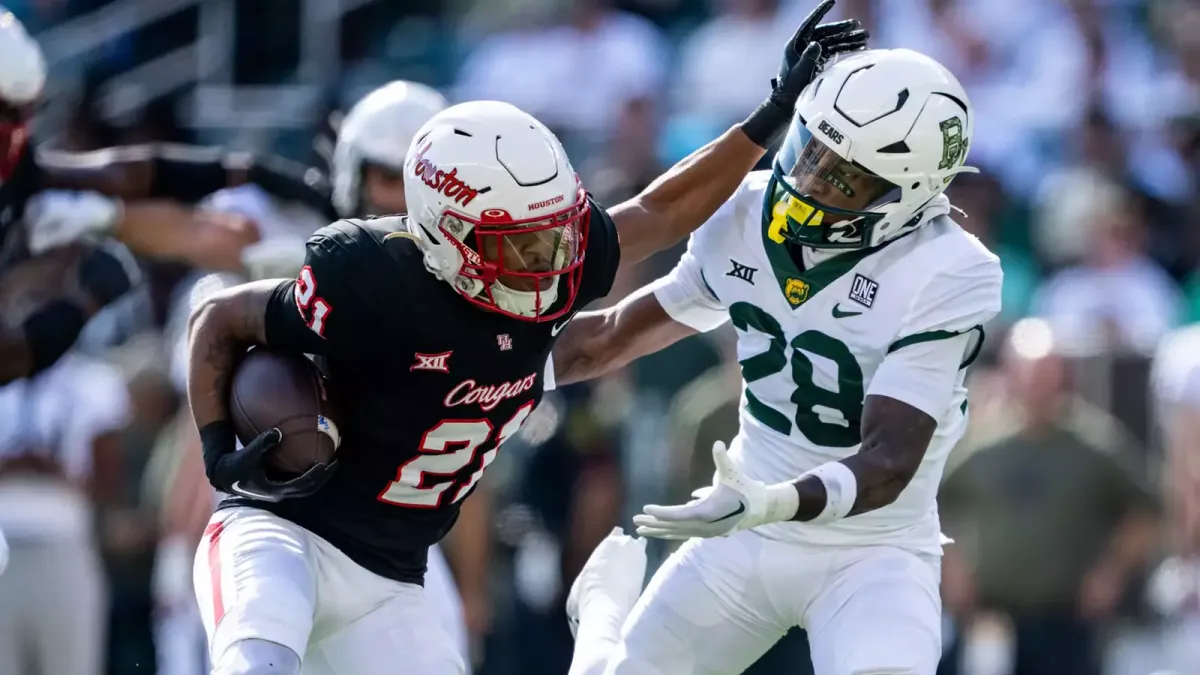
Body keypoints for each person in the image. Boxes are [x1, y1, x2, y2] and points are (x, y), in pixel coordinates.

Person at [185, 4, 868, 674]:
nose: (549, 260)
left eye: (554, 233)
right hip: (285, 537)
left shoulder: (555, 259)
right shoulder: (368, 277)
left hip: (390, 578)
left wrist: (774, 112)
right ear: (445, 236)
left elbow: (659, 211)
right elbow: (218, 318)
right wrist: (217, 445)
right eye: (521, 244)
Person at [548, 47, 1001, 675]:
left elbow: (889, 461)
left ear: (910, 193)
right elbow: (610, 337)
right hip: (746, 537)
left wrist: (768, 502)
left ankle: (605, 612)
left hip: (870, 552)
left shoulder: (951, 271)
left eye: (845, 177)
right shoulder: (745, 209)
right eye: (811, 149)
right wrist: (481, 370)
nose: (811, 180)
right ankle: (601, 614)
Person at [156, 81, 480, 674]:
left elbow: (469, 459)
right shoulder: (301, 266)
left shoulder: (466, 305)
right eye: (387, 177)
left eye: (418, 185)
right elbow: (210, 277)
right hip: (283, 529)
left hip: (396, 557)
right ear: (351, 175)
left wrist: (476, 585)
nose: (402, 203)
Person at [0, 7, 330, 385]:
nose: (13, 133)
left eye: (17, 115)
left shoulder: (21, 168)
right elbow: (8, 357)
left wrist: (241, 169)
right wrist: (85, 301)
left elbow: (120, 175)